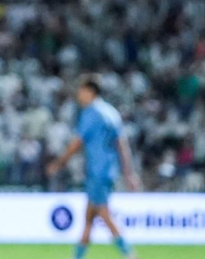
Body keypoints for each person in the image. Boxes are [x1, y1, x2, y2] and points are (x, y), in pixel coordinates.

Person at [47, 77, 140, 259]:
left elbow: (76, 143)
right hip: (109, 169)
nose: (79, 96)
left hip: (97, 170)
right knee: (89, 216)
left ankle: (128, 253)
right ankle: (78, 256)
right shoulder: (111, 113)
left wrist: (59, 163)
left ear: (90, 91)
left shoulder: (90, 113)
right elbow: (122, 144)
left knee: (103, 213)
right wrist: (129, 172)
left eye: (81, 92)